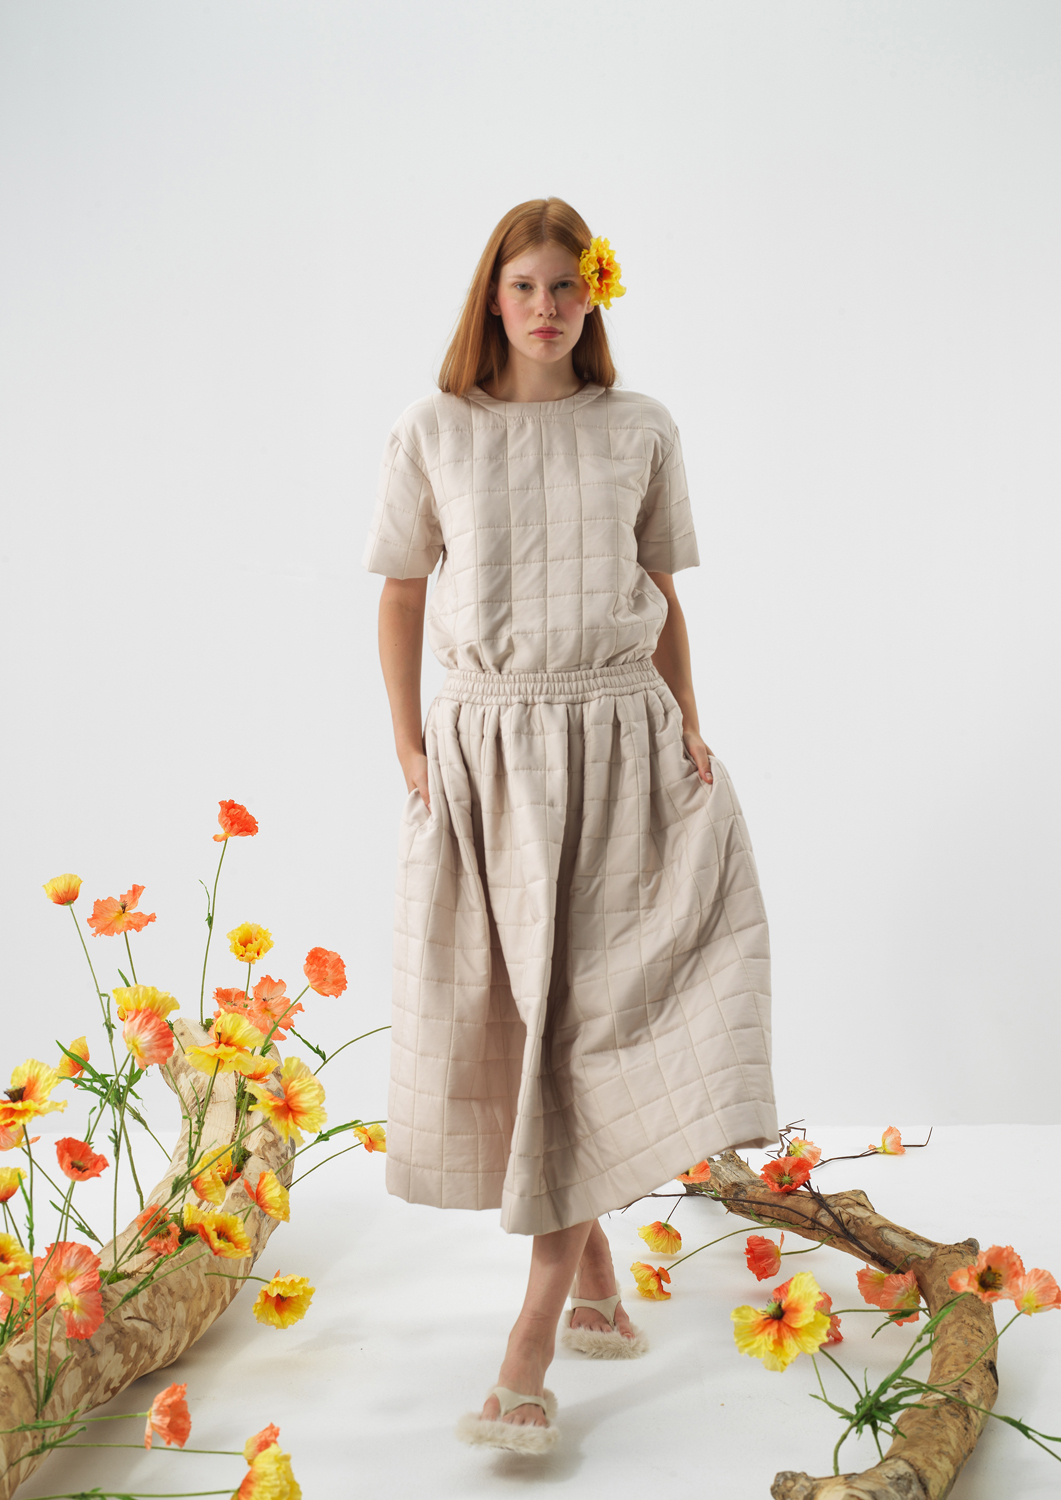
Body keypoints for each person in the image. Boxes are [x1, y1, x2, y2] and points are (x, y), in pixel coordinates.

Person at [363, 198, 777, 1454]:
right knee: (533, 1031)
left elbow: (660, 596)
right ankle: (595, 1284)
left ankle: (531, 1343)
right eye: (524, 287)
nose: (546, 309)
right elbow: (401, 594)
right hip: (487, 755)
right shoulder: (434, 429)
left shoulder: (640, 427)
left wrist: (690, 722)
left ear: (594, 293)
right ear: (492, 298)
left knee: (595, 1025)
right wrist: (409, 746)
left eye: (566, 286)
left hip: (624, 743)